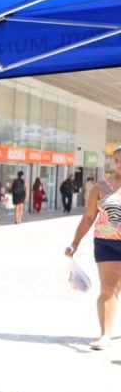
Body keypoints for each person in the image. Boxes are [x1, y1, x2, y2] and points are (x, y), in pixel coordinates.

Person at [65, 148, 121, 351]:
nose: (119, 164)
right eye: (116, 160)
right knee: (109, 289)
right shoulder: (101, 187)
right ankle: (105, 335)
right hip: (107, 243)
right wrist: (75, 243)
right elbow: (89, 217)